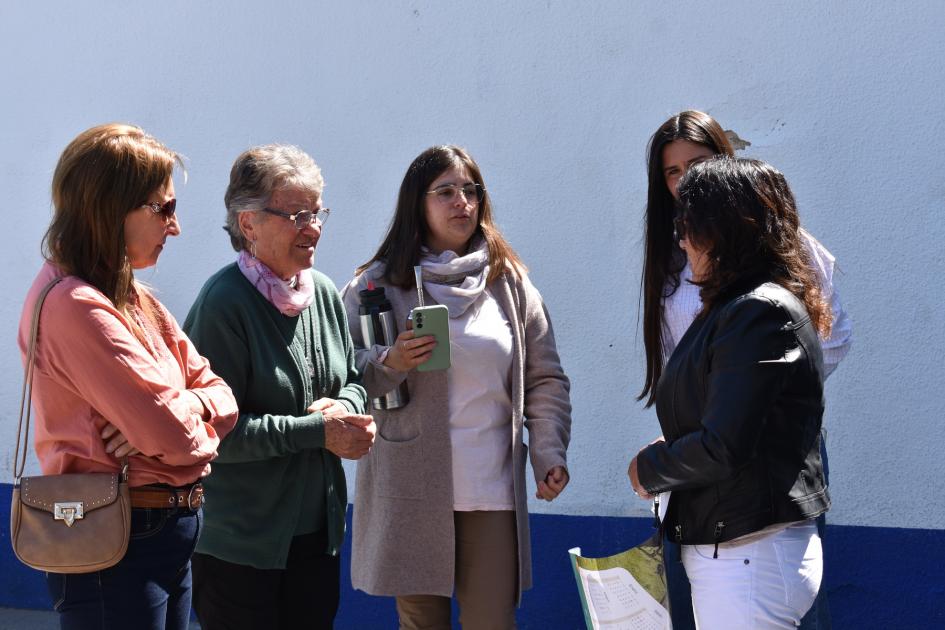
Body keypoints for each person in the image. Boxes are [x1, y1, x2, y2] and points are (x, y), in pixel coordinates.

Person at [17, 123, 239, 629]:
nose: (175, 226)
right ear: (110, 208)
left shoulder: (135, 299)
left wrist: (187, 405)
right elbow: (177, 440)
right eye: (164, 208)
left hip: (156, 532)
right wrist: (173, 421)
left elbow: (221, 396)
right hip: (119, 537)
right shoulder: (77, 306)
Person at [341, 145, 572, 629]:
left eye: (470, 190)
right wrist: (392, 360)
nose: (461, 202)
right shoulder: (375, 286)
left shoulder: (509, 284)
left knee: (493, 621)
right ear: (417, 205)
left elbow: (545, 378)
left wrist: (548, 452)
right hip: (410, 488)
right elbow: (344, 374)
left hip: (491, 490)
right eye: (445, 192)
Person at [638, 110, 852, 630]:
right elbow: (676, 360)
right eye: (672, 171)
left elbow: (833, 336)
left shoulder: (767, 281)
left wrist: (762, 392)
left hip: (756, 463)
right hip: (699, 458)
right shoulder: (671, 255)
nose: (685, 179)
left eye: (698, 164)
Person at [182, 144, 375, 630]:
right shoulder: (224, 303)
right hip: (242, 547)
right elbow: (212, 433)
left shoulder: (323, 292)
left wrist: (347, 408)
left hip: (316, 538)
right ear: (248, 224)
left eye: (317, 213)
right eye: (296, 215)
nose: (312, 229)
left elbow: (352, 379)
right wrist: (317, 431)